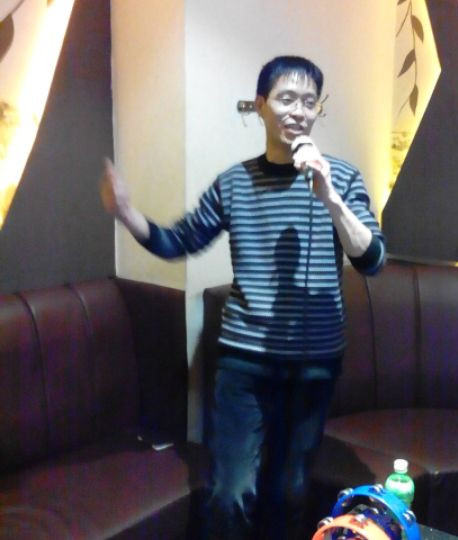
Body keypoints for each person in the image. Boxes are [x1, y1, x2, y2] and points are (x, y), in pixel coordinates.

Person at [100, 55, 385, 540]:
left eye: (310, 102)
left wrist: (331, 198)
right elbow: (180, 240)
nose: (299, 111)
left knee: (291, 491)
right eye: (286, 98)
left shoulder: (342, 177)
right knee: (230, 490)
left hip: (315, 365)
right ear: (260, 105)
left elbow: (372, 260)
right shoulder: (234, 183)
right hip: (244, 365)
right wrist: (128, 215)